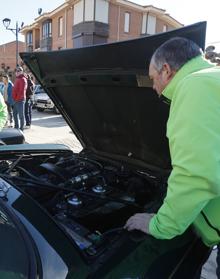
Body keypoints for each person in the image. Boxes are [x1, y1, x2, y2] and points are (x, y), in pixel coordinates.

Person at [125, 37, 220, 272]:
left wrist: (161, 224)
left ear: (166, 70)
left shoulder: (194, 86)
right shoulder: (211, 79)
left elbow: (196, 174)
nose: (153, 87)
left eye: (153, 79)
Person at [12, 66, 27, 131]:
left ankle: (21, 128)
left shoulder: (23, 79)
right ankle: (16, 126)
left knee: (21, 115)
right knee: (14, 114)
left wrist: (16, 99)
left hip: (20, 100)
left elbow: (21, 91)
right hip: (16, 100)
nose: (17, 72)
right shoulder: (17, 79)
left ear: (21, 72)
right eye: (16, 71)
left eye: (18, 71)